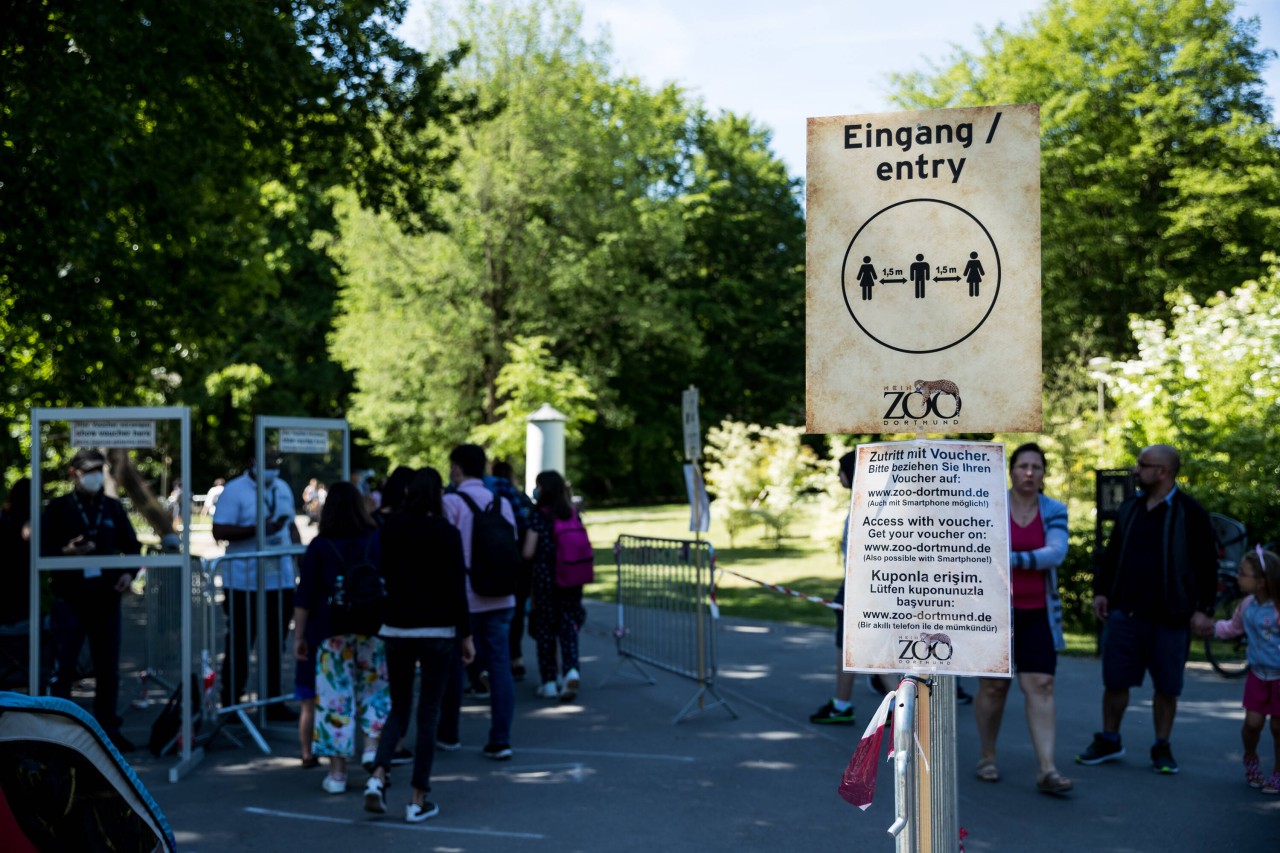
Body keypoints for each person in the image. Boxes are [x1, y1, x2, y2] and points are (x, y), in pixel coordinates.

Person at [1076, 444, 1217, 774]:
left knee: (1167, 687)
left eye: (1143, 465)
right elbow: (1112, 554)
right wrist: (1101, 592)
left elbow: (1206, 564)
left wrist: (1204, 610)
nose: (1136, 470)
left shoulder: (1190, 512)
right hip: (1125, 613)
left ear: (1163, 472)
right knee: (1115, 681)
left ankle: (1161, 746)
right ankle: (1110, 739)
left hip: (1171, 618)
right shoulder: (1131, 507)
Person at [364, 469, 474, 822]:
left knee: (398, 708)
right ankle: (417, 798)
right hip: (437, 631)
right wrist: (466, 635)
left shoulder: (391, 529)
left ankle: (378, 774)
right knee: (428, 713)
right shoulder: (447, 533)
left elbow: (378, 574)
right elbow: (458, 587)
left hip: (397, 627)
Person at [973, 443, 1072, 794]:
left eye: (1037, 467)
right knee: (994, 687)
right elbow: (978, 550)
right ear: (1011, 470)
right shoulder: (990, 506)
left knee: (1041, 685)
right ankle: (987, 756)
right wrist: (1017, 557)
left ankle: (1047, 769)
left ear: (1044, 474)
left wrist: (1008, 558)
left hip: (1038, 613)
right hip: (994, 612)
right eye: (1023, 466)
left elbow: (1055, 553)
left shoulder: (1054, 509)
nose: (1030, 473)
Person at [40, 450, 140, 752]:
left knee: (108, 669)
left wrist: (128, 573)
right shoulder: (59, 508)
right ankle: (57, 735)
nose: (95, 475)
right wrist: (66, 552)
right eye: (89, 470)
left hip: (105, 599)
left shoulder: (112, 507)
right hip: (69, 599)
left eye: (99, 469)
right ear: (74, 474)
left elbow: (132, 545)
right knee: (64, 668)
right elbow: (41, 551)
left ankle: (109, 731)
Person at [293, 481, 388, 795]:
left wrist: (300, 636)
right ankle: (373, 749)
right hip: (373, 628)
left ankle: (337, 773)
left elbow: (305, 596)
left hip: (330, 632)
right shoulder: (376, 538)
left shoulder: (321, 545)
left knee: (334, 700)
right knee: (375, 692)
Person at [439, 444, 518, 760]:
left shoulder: (451, 503)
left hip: (466, 598)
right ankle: (501, 738)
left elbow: (444, 551)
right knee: (500, 667)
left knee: (455, 666)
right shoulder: (502, 503)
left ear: (457, 468)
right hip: (502, 596)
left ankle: (449, 734)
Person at [212, 452, 301, 721]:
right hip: (244, 582)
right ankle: (231, 703)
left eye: (276, 465)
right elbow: (219, 531)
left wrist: (301, 557)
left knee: (275, 643)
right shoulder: (234, 490)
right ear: (252, 462)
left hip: (280, 580)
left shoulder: (282, 487)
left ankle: (272, 701)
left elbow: (290, 526)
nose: (273, 469)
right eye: (268, 464)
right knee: (240, 642)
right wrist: (258, 529)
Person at [1198, 546, 1280, 793]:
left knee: (1278, 727)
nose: (1238, 577)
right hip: (1258, 675)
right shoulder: (1246, 605)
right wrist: (1211, 628)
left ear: (1262, 581)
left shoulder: (1277, 609)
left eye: (1244, 573)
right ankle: (1251, 757)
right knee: (1252, 724)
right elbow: (1233, 628)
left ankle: (1278, 772)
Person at [523, 470, 587, 701]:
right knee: (568, 627)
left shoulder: (539, 515)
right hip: (571, 579)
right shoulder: (571, 513)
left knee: (546, 631)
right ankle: (570, 670)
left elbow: (529, 551)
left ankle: (549, 681)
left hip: (545, 581)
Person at [810, 451, 859, 725]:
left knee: (850, 646)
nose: (837, 476)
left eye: (840, 470)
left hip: (857, 586)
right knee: (862, 647)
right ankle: (897, 705)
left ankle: (842, 704)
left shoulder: (863, 506)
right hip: (857, 584)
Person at [488, 461, 535, 681]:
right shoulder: (518, 498)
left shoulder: (489, 495)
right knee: (514, 613)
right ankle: (515, 659)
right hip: (518, 566)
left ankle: (495, 663)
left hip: (492, 564)